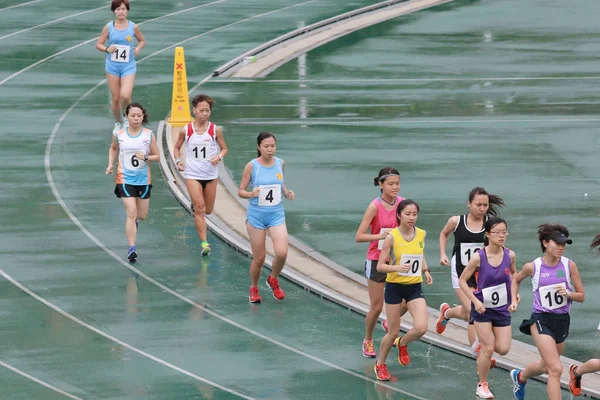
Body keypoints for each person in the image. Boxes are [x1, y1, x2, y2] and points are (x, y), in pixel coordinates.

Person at [510, 224, 585, 400]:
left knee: (545, 365)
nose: (561, 247)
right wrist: (514, 299)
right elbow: (516, 279)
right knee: (556, 369)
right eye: (557, 243)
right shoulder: (533, 267)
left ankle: (520, 377)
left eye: (564, 244)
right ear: (545, 243)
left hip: (562, 320)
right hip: (540, 319)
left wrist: (568, 293)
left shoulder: (569, 266)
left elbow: (581, 296)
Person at [437, 187, 505, 360]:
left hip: (481, 274)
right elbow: (443, 234)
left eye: (485, 205)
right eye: (478, 205)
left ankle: (447, 313)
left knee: (470, 312)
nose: (482, 209)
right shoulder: (456, 221)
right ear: (469, 204)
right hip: (461, 273)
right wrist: (443, 254)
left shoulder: (490, 224)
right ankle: (477, 351)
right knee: (474, 311)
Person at [373, 200, 432, 381]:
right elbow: (380, 266)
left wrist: (426, 270)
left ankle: (403, 343)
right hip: (394, 288)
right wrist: (397, 268)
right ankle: (380, 364)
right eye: (408, 214)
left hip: (414, 287)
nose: (412, 218)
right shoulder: (392, 237)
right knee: (392, 331)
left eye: (415, 214)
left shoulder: (421, 234)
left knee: (421, 327)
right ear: (399, 215)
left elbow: (419, 253)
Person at [459, 217, 516, 399]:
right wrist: (475, 302)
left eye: (504, 232)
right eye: (497, 232)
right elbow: (462, 280)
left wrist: (514, 297)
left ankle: (478, 344)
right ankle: (482, 384)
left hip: (501, 309)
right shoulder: (478, 257)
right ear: (487, 235)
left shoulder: (510, 255)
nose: (501, 236)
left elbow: (514, 276)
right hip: (482, 308)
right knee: (489, 347)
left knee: (504, 348)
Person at [237, 132, 294, 303]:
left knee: (282, 252)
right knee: (259, 257)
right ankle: (254, 287)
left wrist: (286, 192)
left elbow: (280, 182)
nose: (270, 150)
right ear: (259, 147)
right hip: (257, 217)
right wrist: (250, 194)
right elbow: (240, 191)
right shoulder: (252, 166)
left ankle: (273, 279)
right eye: (266, 146)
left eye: (273, 146)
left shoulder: (280, 163)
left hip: (276, 215)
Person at [355, 167, 405, 358]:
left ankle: (389, 321)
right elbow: (359, 236)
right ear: (381, 185)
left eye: (398, 183)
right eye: (391, 184)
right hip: (376, 259)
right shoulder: (374, 206)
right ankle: (368, 339)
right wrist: (380, 236)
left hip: (397, 260)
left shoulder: (402, 204)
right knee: (376, 306)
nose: (395, 187)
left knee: (409, 300)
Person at [173, 94, 228, 255]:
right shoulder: (186, 130)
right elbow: (176, 148)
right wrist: (178, 161)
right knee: (200, 208)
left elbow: (224, 148)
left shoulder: (214, 130)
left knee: (208, 210)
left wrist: (219, 157)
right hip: (192, 174)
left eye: (207, 111)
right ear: (194, 110)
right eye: (201, 110)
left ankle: (197, 207)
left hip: (210, 175)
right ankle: (204, 244)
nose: (204, 113)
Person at [106, 103, 159, 262]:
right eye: (133, 115)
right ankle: (131, 248)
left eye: (139, 116)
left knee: (141, 215)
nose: (136, 118)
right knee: (131, 212)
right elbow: (113, 148)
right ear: (127, 117)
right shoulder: (119, 134)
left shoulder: (149, 135)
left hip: (143, 179)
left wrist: (146, 158)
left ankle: (135, 222)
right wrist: (110, 164)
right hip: (124, 179)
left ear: (143, 117)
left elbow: (157, 156)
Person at [95, 0, 145, 133]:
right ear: (113, 11)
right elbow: (98, 44)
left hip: (128, 66)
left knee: (125, 95)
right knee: (116, 97)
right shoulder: (109, 27)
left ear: (127, 10)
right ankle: (118, 122)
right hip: (112, 66)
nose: (121, 12)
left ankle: (128, 118)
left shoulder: (133, 27)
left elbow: (142, 40)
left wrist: (138, 48)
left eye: (123, 9)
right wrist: (107, 49)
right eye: (118, 9)